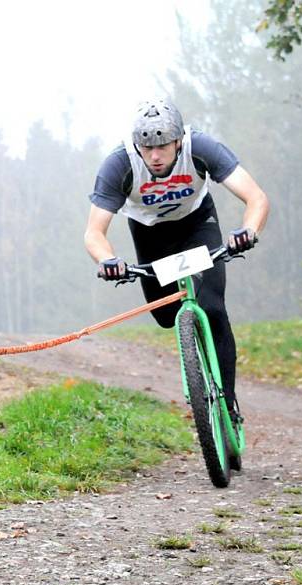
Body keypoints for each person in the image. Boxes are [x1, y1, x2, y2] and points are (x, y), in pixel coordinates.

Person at [84, 99, 270, 420]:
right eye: (147, 147)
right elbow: (94, 232)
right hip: (149, 234)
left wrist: (248, 230)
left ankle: (227, 401)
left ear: (178, 141)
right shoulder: (119, 164)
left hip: (198, 226)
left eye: (163, 146)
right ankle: (196, 361)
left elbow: (256, 197)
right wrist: (108, 260)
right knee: (166, 316)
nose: (155, 156)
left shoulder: (201, 147)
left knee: (212, 308)